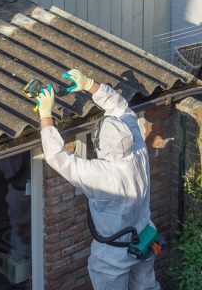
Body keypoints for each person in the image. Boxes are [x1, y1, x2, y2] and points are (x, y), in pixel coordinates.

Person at [36, 69, 160, 290]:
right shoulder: (138, 151)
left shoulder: (101, 174)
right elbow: (122, 109)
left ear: (99, 145)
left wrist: (46, 115)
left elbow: (57, 157)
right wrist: (90, 84)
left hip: (113, 254)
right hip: (144, 239)